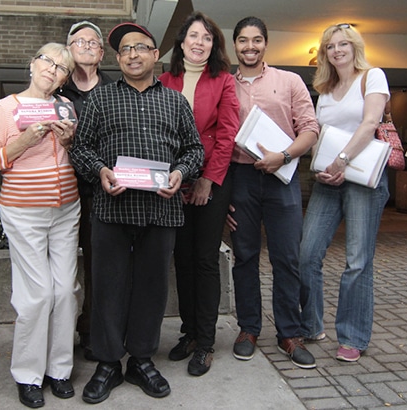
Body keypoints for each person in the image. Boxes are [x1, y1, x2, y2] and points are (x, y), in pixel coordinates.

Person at [69, 22, 203, 403]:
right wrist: (100, 171)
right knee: (108, 288)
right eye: (125, 50)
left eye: (140, 48)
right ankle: (108, 362)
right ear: (118, 58)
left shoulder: (176, 101)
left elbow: (194, 150)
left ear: (154, 54)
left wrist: (180, 172)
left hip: (160, 211)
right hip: (112, 208)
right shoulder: (101, 98)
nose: (132, 55)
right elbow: (80, 148)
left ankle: (141, 359)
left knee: (152, 288)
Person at [0, 43, 78, 408]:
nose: (53, 69)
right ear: (32, 63)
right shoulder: (6, 108)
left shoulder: (65, 107)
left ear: (66, 79)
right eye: (48, 61)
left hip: (67, 210)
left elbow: (75, 156)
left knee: (65, 291)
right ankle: (28, 375)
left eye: (63, 67)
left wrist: (69, 141)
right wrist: (22, 143)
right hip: (23, 211)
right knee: (37, 296)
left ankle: (59, 369)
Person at [227, 16, 318, 369]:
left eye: (257, 40)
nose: (250, 46)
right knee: (245, 255)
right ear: (234, 45)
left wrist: (283, 156)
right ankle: (248, 328)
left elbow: (310, 129)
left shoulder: (290, 81)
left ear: (266, 44)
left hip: (283, 176)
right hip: (241, 178)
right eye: (243, 41)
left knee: (286, 257)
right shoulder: (223, 84)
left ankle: (289, 334)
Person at [299, 24, 390, 362]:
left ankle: (353, 336)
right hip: (328, 179)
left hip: (362, 178)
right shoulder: (325, 88)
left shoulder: (372, 77)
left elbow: (369, 123)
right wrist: (323, 166)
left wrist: (342, 161)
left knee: (357, 261)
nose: (336, 50)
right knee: (307, 255)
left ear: (355, 48)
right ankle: (311, 325)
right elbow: (320, 134)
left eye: (343, 44)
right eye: (330, 46)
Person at [159, 11, 239, 376]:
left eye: (207, 38)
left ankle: (205, 343)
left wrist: (208, 179)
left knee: (205, 260)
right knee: (182, 259)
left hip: (210, 181)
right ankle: (189, 332)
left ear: (214, 44)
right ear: (181, 41)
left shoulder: (223, 80)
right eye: (193, 36)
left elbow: (227, 135)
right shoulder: (164, 79)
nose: (199, 43)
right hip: (172, 183)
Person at [60, 20, 114, 361]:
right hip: (62, 191)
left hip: (101, 192)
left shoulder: (114, 89)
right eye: (79, 41)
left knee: (99, 266)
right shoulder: (56, 90)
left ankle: (93, 332)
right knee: (63, 272)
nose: (86, 46)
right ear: (68, 49)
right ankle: (59, 337)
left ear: (102, 51)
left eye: (93, 42)